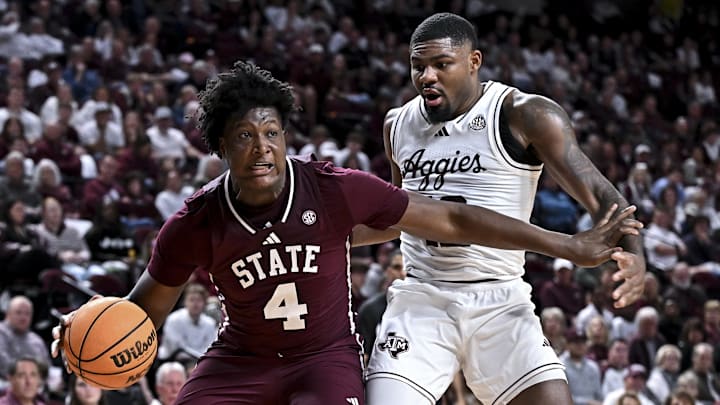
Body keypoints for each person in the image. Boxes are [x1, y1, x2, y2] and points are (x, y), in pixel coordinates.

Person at [52, 61, 641, 404]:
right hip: (241, 360)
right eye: (245, 136)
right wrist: (84, 337)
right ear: (221, 146)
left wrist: (569, 245)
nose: (262, 148)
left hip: (323, 356)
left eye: (272, 133)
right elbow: (142, 311)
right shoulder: (193, 222)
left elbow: (455, 217)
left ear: (285, 135)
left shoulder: (333, 188)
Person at [358, 13, 646, 405]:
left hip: (500, 298)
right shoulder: (397, 124)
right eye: (418, 66)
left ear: (474, 61)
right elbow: (400, 214)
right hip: (422, 299)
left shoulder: (524, 113)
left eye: (442, 65)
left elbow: (601, 194)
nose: (427, 76)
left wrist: (635, 258)